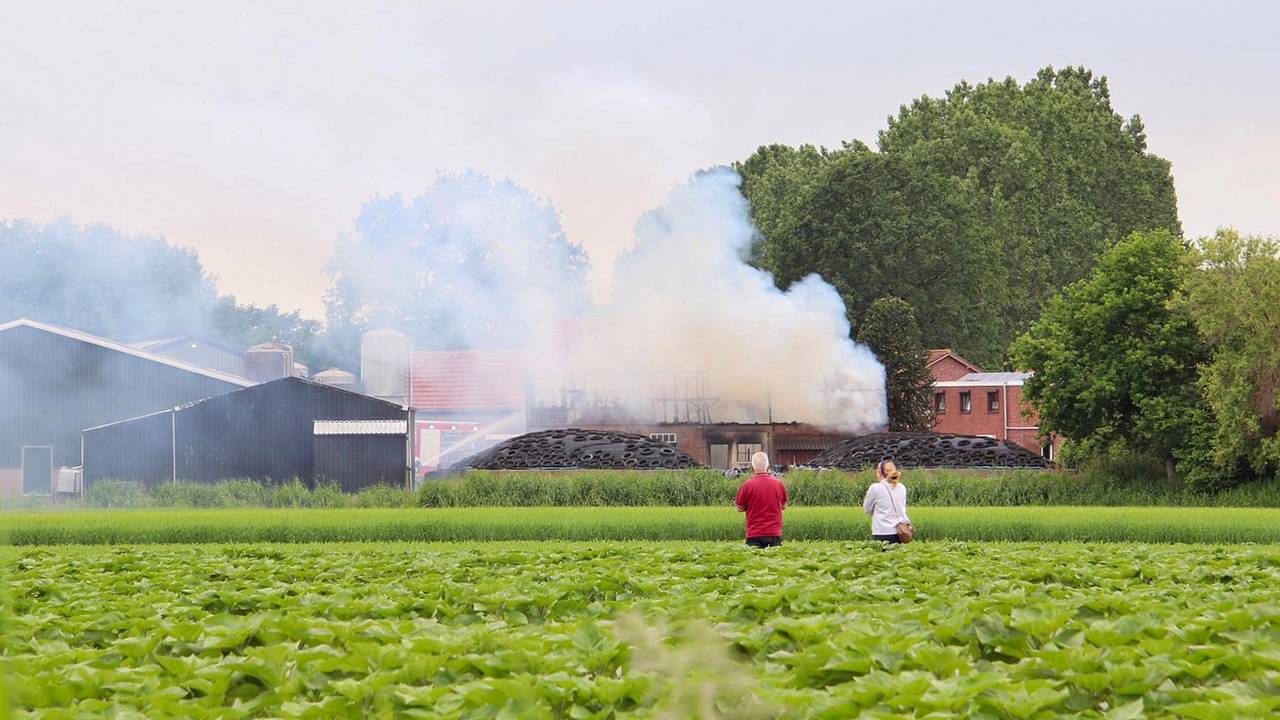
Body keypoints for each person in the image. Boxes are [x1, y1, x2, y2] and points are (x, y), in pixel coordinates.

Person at [734, 451, 788, 547]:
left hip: (754, 534)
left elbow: (739, 508)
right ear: (768, 467)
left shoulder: (747, 485)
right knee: (775, 561)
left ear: (753, 467)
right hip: (774, 534)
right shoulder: (778, 484)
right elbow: (784, 506)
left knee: (755, 561)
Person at [863, 458, 911, 543]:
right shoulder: (901, 487)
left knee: (882, 556)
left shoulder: (875, 488)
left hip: (882, 532)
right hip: (901, 532)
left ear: (880, 473)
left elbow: (867, 509)